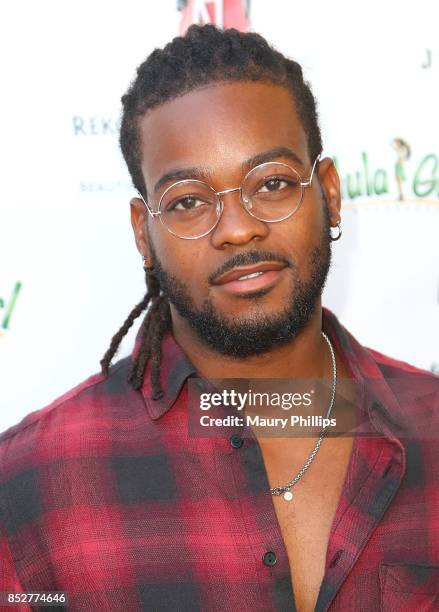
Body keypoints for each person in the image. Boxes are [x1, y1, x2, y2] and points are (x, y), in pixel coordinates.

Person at [1, 24, 438, 612]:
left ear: (329, 192)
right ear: (143, 234)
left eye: (274, 183)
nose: (237, 228)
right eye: (187, 200)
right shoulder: (28, 488)